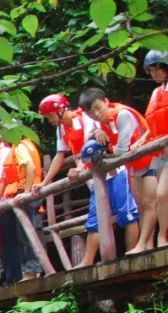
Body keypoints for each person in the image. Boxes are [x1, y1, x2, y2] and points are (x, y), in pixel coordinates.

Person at [38, 93, 138, 268]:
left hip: (114, 169)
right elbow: (60, 155)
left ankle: (132, 254)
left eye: (49, 115)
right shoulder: (61, 129)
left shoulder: (87, 118)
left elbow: (93, 147)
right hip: (95, 175)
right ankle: (88, 260)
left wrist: (80, 167)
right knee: (96, 217)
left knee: (126, 213)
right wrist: (44, 182)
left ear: (60, 110)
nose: (49, 120)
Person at [79, 87, 157, 255]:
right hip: (134, 165)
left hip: (152, 158)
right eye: (92, 114)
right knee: (142, 207)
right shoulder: (102, 124)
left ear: (106, 101)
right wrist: (96, 132)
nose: (97, 115)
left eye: (98, 108)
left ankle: (146, 243)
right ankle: (147, 246)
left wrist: (105, 152)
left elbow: (122, 150)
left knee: (150, 203)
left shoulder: (122, 115)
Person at [0, 125, 42, 281]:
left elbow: (30, 166)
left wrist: (26, 192)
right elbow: (3, 180)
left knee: (26, 235)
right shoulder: (6, 152)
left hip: (22, 194)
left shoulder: (18, 148)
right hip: (13, 196)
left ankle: (30, 271)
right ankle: (16, 274)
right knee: (19, 237)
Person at [136, 50, 168, 250]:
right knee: (160, 196)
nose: (152, 73)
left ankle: (162, 237)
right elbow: (152, 123)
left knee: (162, 194)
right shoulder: (157, 92)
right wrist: (142, 139)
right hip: (159, 151)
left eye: (154, 68)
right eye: (150, 70)